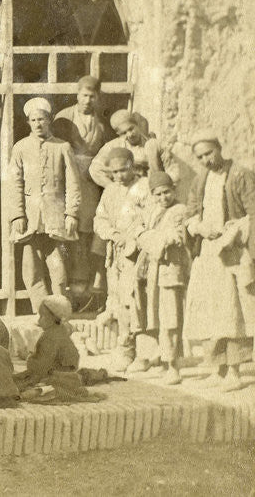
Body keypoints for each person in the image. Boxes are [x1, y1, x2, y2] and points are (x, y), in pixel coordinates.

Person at [182, 130, 255, 392]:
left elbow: (252, 212)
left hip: (232, 252)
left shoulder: (240, 174)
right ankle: (217, 369)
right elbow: (189, 214)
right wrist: (199, 228)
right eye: (200, 156)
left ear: (219, 148)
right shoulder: (199, 180)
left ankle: (235, 371)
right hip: (208, 254)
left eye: (209, 153)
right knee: (210, 312)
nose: (205, 160)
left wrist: (235, 230)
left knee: (233, 313)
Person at [9, 97, 81, 311]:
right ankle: (40, 310)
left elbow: (73, 183)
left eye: (42, 119)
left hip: (55, 215)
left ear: (49, 120)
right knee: (31, 268)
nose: (38, 124)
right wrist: (17, 215)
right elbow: (14, 183)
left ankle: (60, 308)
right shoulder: (20, 148)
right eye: (33, 120)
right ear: (28, 122)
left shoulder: (62, 147)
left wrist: (72, 214)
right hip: (30, 216)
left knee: (57, 264)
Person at [53, 77, 110, 305]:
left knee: (87, 236)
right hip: (67, 183)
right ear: (77, 94)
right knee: (67, 235)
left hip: (90, 186)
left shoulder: (101, 125)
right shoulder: (64, 118)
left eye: (92, 96)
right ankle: (64, 290)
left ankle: (83, 289)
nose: (87, 100)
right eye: (84, 95)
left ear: (97, 97)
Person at [93, 148, 149, 371]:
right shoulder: (110, 191)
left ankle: (145, 352)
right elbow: (100, 219)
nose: (119, 176)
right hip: (117, 254)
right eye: (114, 172)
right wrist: (112, 234)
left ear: (132, 167)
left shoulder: (144, 188)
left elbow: (151, 218)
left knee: (138, 301)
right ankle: (125, 348)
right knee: (120, 302)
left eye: (123, 170)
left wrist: (133, 236)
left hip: (138, 254)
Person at [137, 172, 191, 385]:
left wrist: (154, 240)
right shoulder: (152, 211)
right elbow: (140, 233)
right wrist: (147, 238)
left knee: (171, 318)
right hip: (155, 272)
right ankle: (163, 358)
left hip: (171, 270)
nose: (163, 198)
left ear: (174, 190)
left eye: (166, 192)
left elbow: (177, 236)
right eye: (158, 194)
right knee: (157, 316)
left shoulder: (180, 211)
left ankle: (174, 364)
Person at [14, 295, 102, 403]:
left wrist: (27, 357)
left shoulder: (50, 336)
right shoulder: (60, 331)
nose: (39, 320)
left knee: (17, 383)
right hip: (66, 374)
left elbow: (41, 368)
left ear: (54, 319)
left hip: (56, 376)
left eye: (42, 316)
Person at [90, 110, 165, 189]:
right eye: (124, 133)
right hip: (125, 190)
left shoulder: (152, 144)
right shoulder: (113, 145)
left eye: (131, 129)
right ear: (118, 134)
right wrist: (113, 187)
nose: (130, 134)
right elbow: (94, 169)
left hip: (150, 188)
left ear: (137, 124)